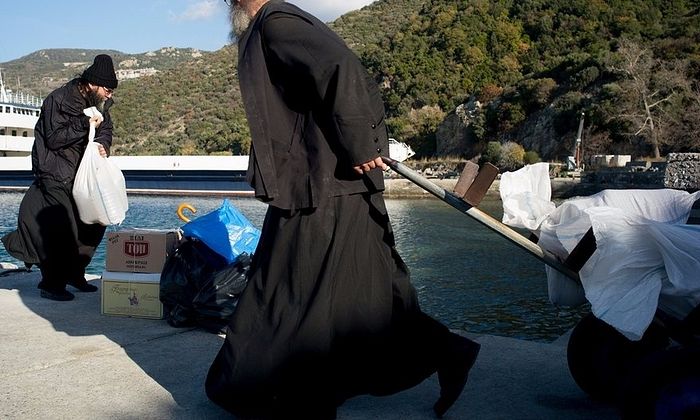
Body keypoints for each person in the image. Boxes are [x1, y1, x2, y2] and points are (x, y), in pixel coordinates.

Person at [205, 1, 481, 418]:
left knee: (290, 290)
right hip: (325, 186)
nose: (229, 5)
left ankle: (283, 393)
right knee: (365, 294)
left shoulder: (277, 23)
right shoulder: (276, 23)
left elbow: (340, 67)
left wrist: (360, 144)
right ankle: (447, 352)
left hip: (323, 188)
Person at [1, 54, 118, 301]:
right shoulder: (59, 99)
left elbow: (106, 128)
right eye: (107, 90)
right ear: (92, 84)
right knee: (62, 231)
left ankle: (75, 273)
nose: (109, 96)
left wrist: (103, 144)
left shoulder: (99, 103)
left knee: (95, 224)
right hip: (54, 173)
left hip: (83, 177)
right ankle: (51, 284)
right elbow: (54, 139)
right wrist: (85, 123)